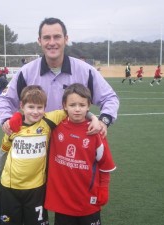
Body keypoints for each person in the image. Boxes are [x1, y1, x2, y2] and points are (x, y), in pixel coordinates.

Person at [0, 85, 99, 225]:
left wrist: (94, 118)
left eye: (39, 107)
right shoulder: (13, 126)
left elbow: (73, 109)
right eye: (31, 107)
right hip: (10, 186)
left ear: (45, 108)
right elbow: (4, 149)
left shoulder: (48, 120)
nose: (35, 112)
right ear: (22, 106)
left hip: (37, 187)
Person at [0, 17, 119, 136]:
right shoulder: (26, 72)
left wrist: (104, 121)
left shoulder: (86, 71)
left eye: (57, 37)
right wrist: (6, 119)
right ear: (40, 41)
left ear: (66, 39)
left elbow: (109, 98)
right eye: (46, 38)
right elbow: (4, 100)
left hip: (73, 145)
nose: (52, 42)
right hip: (38, 145)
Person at [44, 83, 116, 225]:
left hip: (88, 200)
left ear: (88, 105)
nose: (77, 109)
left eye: (82, 105)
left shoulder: (96, 131)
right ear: (64, 105)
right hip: (62, 202)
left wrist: (104, 188)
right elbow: (33, 116)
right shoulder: (54, 126)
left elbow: (105, 165)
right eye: (72, 105)